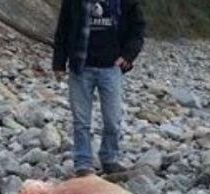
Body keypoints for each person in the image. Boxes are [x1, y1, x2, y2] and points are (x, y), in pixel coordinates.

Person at [52, 0, 146, 177]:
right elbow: (63, 28)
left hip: (111, 68)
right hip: (80, 67)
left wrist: (128, 55)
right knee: (81, 121)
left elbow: (138, 29)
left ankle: (109, 159)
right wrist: (59, 62)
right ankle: (82, 163)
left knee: (113, 119)